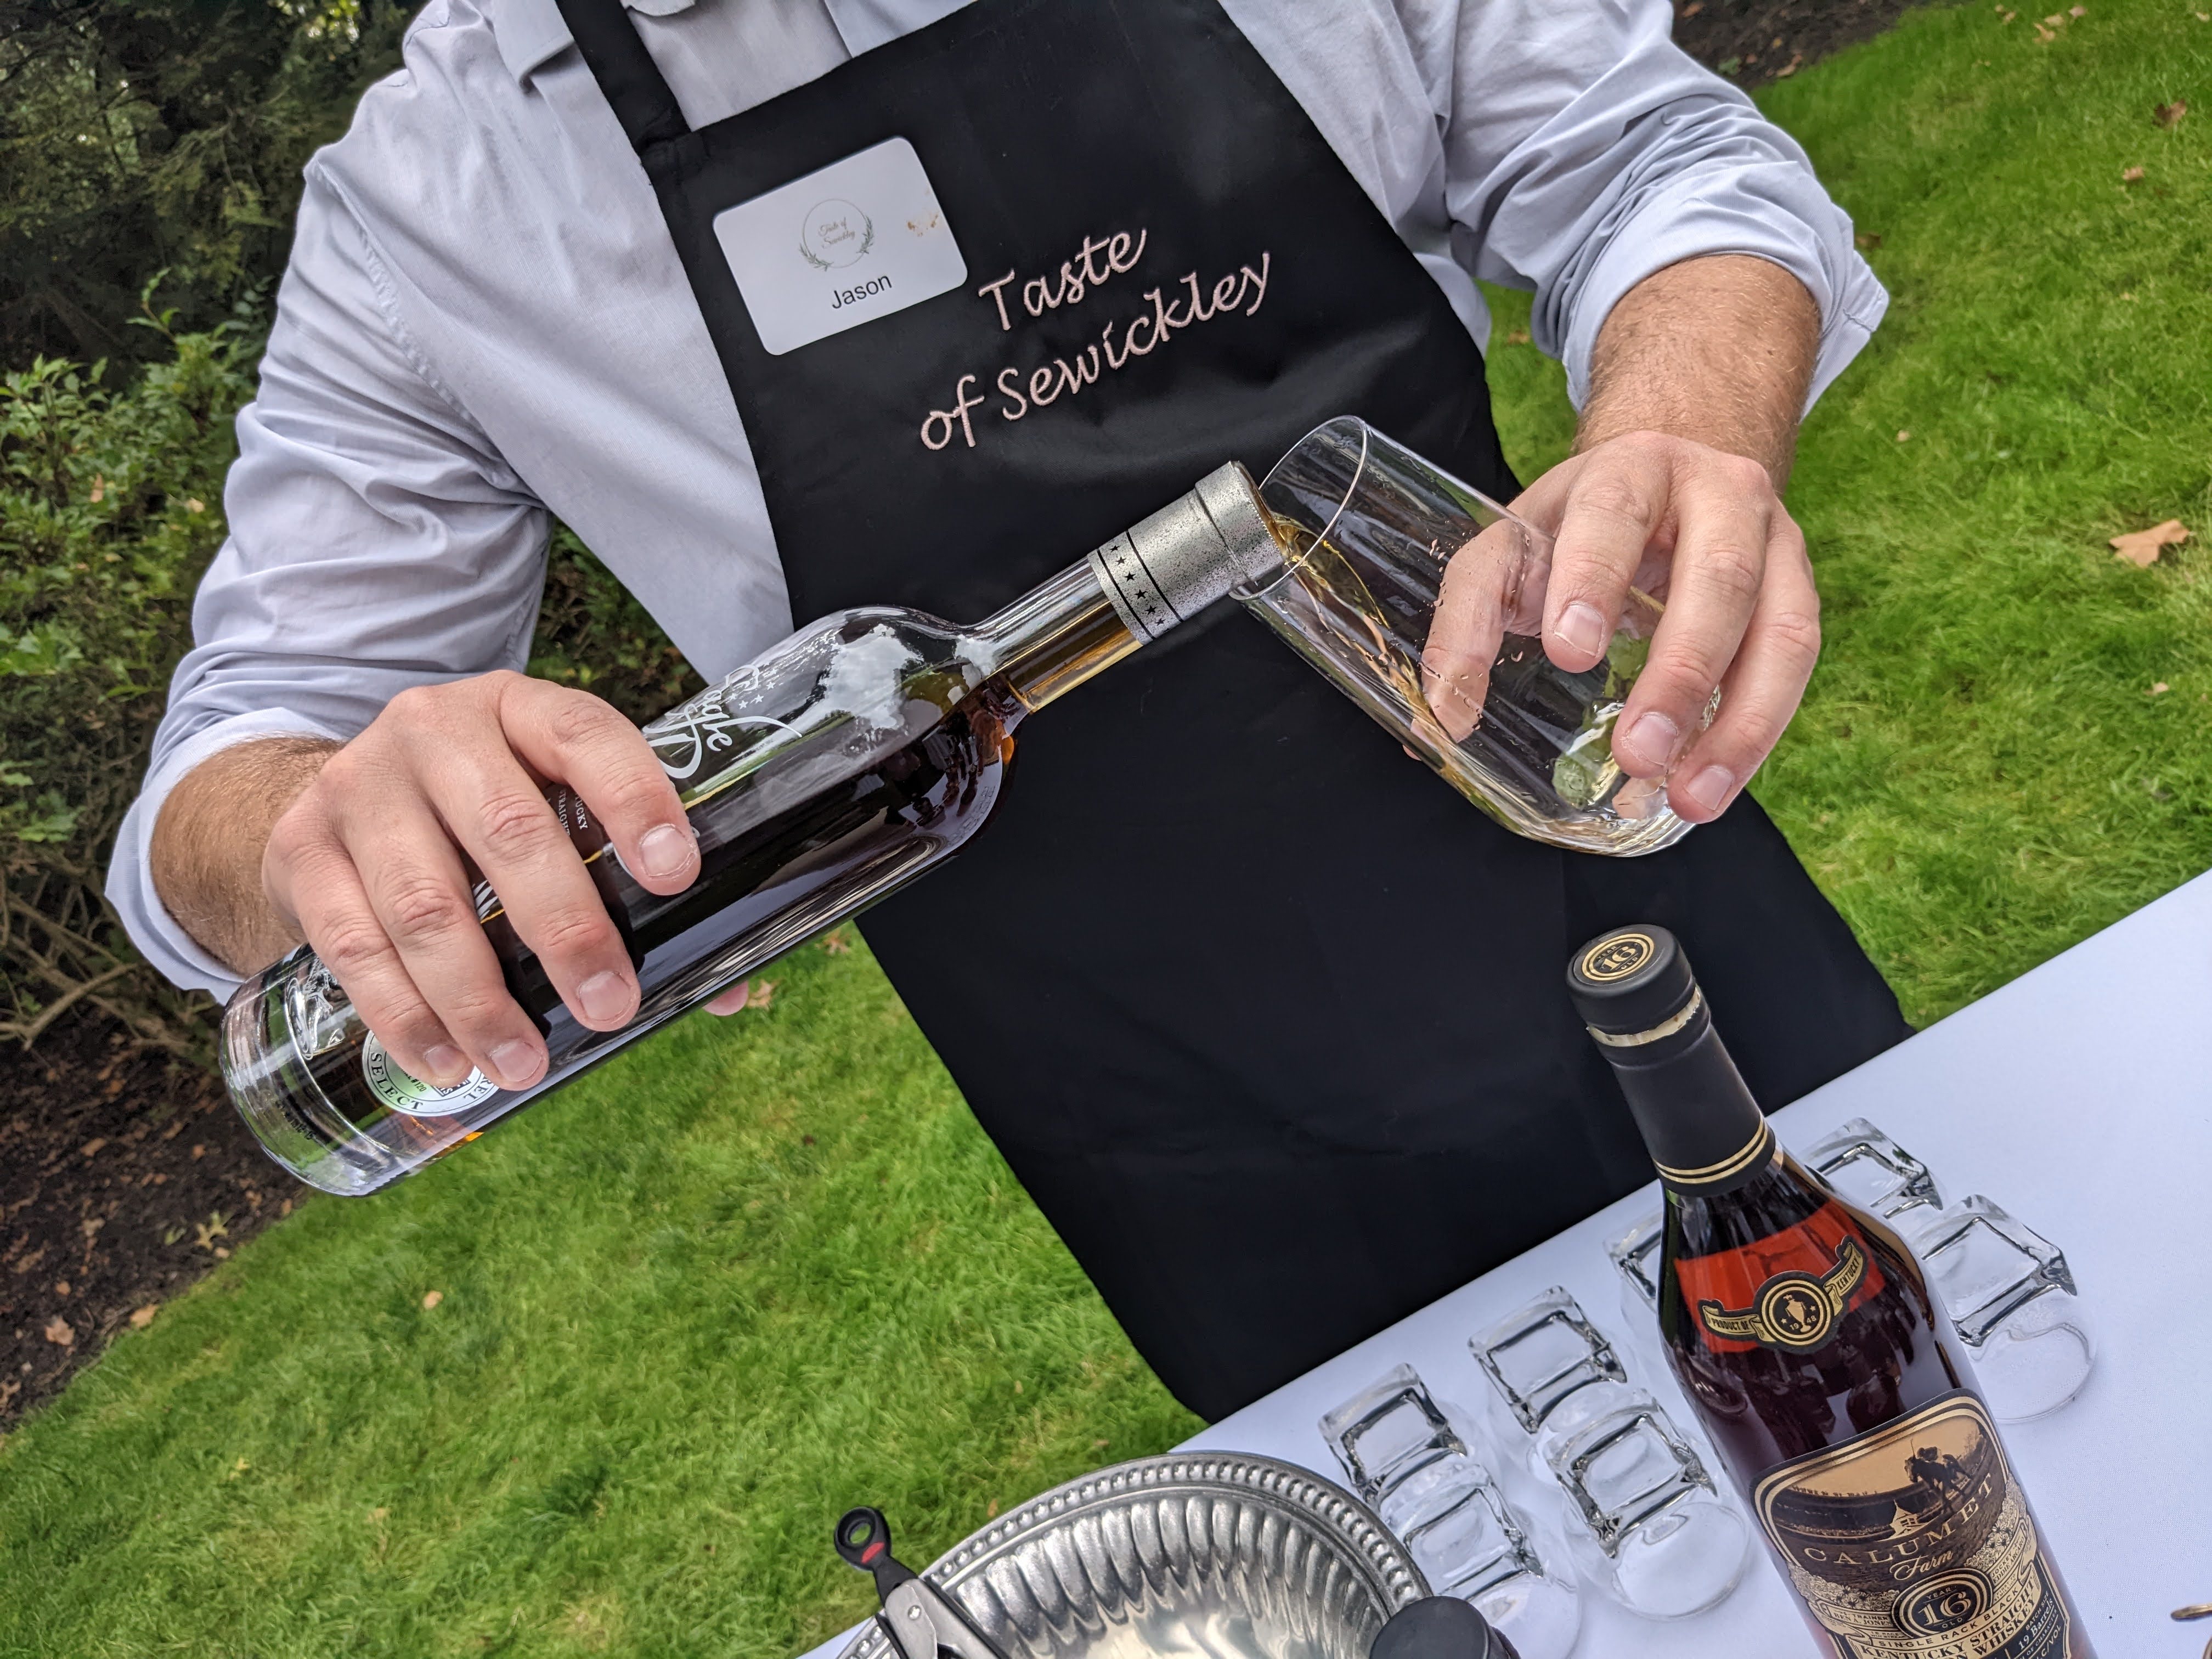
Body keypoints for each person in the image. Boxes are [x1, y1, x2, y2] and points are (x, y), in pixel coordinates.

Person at [112, 0, 1909, 1420]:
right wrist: (320, 823)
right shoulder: (437, 203)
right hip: (1192, 1120)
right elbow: (239, 754)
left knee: (1925, 1394)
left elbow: (1655, 160)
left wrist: (1690, 421)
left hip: (1611, 854)